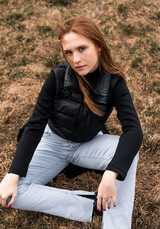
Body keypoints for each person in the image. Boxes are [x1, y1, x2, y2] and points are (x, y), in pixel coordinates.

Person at [0, 16, 143, 229]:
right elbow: (35, 124)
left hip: (89, 144)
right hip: (53, 142)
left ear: (99, 46)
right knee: (10, 194)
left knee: (128, 153)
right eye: (69, 52)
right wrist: (13, 174)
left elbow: (134, 132)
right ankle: (92, 203)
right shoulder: (57, 76)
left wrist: (111, 174)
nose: (76, 59)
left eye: (82, 49)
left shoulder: (114, 81)